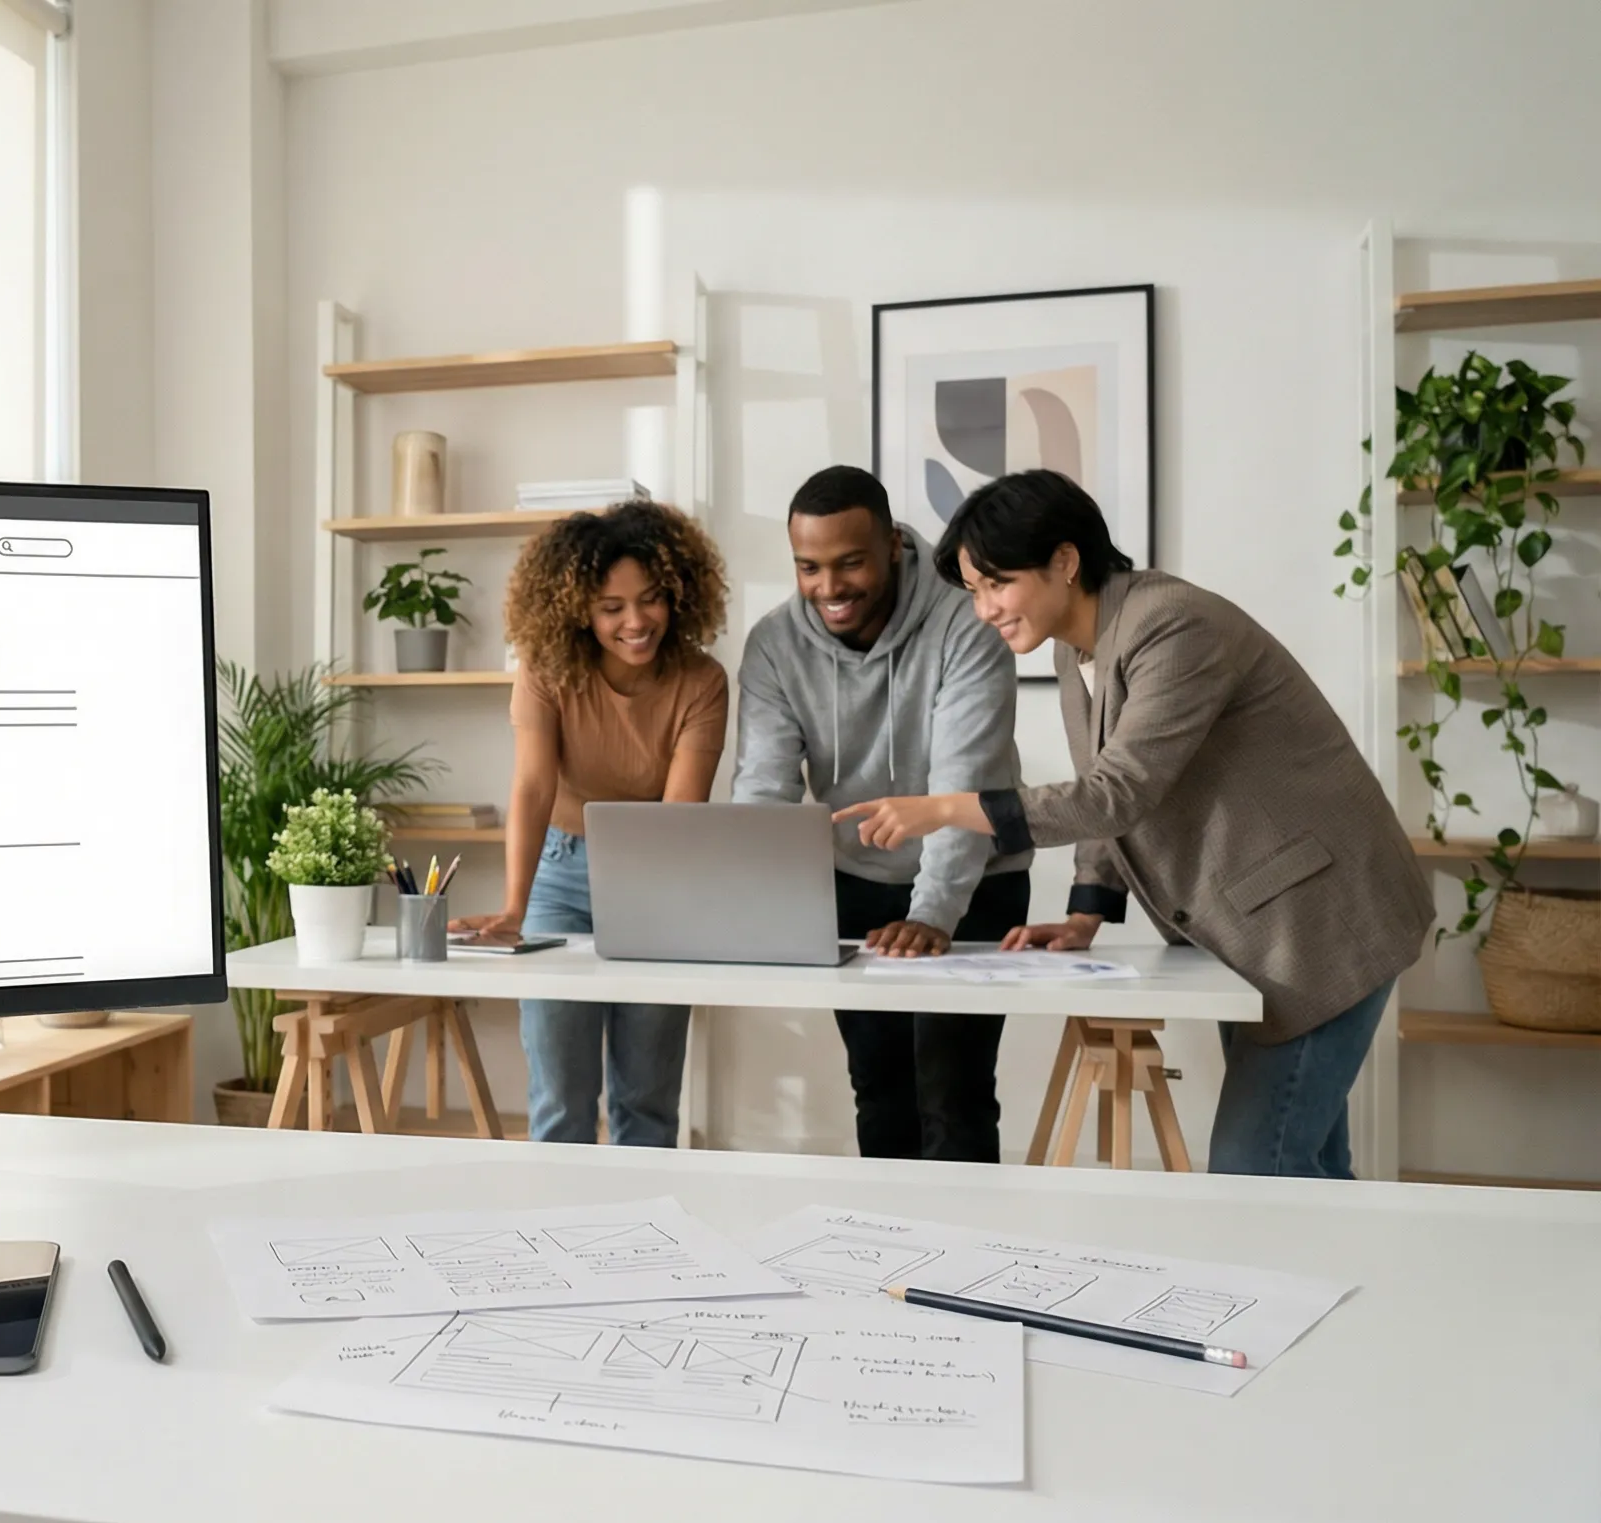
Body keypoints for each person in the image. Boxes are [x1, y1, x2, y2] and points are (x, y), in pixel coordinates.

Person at [833, 470, 1430, 1178]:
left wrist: (942, 808)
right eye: (974, 591)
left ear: (1064, 560)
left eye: (998, 583)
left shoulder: (1173, 625)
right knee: (1308, 1172)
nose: (984, 609)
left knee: (1255, 1166)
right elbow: (1111, 786)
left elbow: (1116, 793)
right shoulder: (1075, 644)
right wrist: (1087, 910)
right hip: (1259, 927)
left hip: (1321, 921)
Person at [732, 466, 1030, 1163]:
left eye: (849, 563)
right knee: (880, 1087)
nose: (829, 588)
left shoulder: (967, 621)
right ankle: (891, 1261)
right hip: (856, 878)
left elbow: (965, 785)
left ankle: (965, 1266)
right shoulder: (775, 645)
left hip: (977, 877)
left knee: (953, 1092)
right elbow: (764, 791)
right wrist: (749, 912)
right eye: (808, 567)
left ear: (893, 544)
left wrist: (930, 915)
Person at [452, 500, 730, 1147]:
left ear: (679, 594)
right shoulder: (547, 671)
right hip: (560, 871)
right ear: (580, 608)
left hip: (659, 879)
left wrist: (659, 909)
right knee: (562, 1098)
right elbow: (532, 786)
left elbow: (678, 817)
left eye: (653, 599)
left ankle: (648, 1238)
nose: (637, 622)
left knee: (648, 1100)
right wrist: (514, 907)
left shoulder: (702, 681)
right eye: (612, 608)